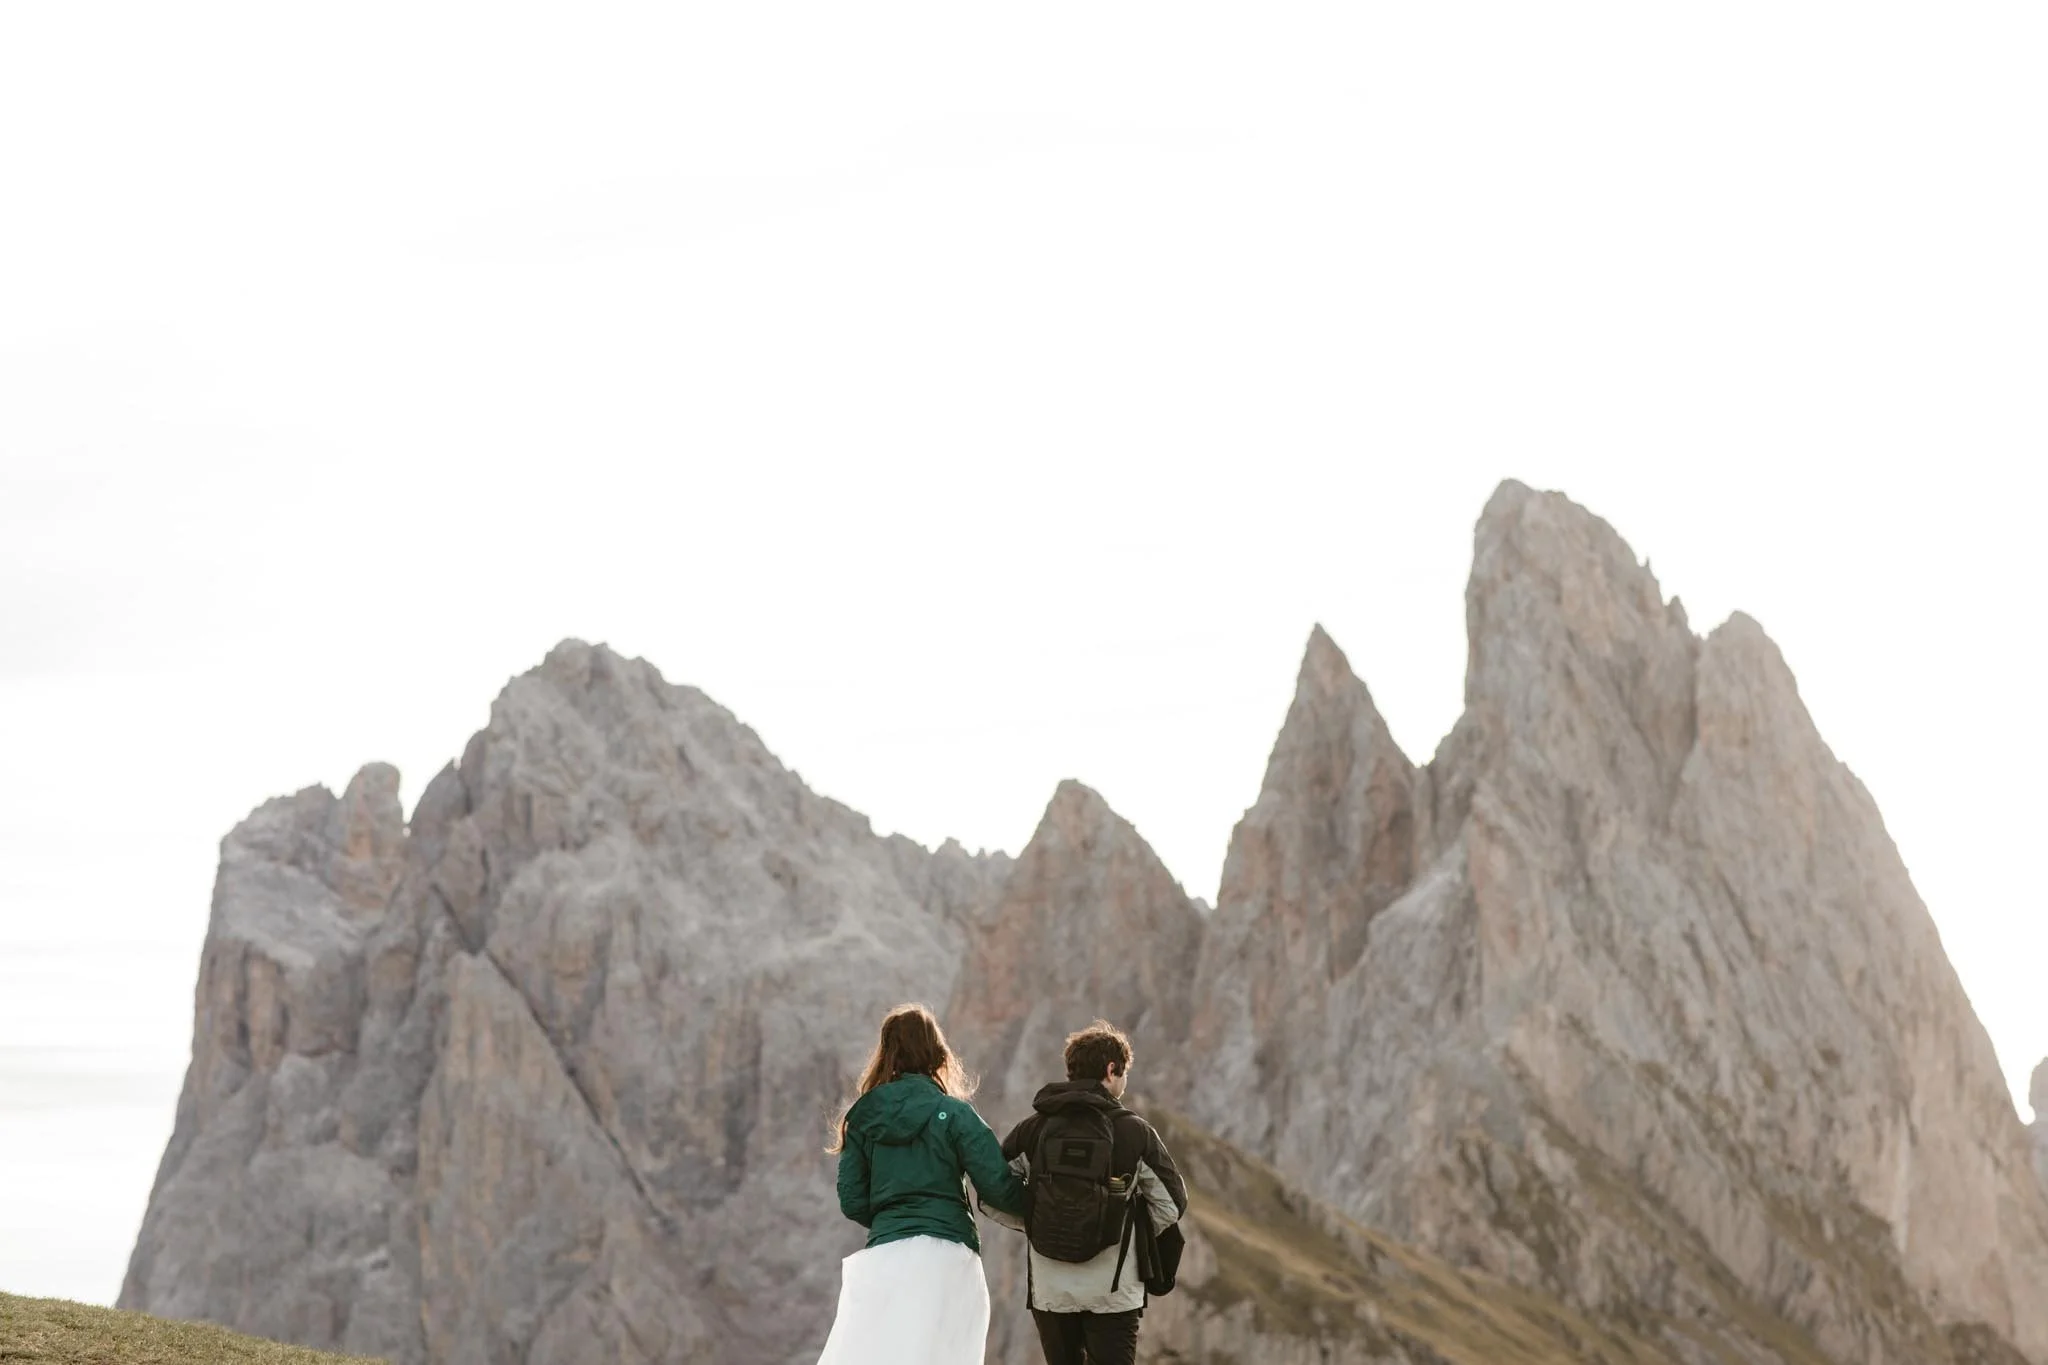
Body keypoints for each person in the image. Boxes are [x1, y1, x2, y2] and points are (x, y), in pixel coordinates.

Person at [816, 1002, 1027, 1365]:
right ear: (937, 1052)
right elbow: (997, 1187)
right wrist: (1050, 1204)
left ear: (887, 1053)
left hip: (884, 1258)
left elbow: (852, 1201)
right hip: (948, 1258)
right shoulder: (957, 1115)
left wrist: (892, 1218)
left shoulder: (863, 1118)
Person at [996, 1020, 1188, 1365]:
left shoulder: (1034, 1128)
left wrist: (1039, 1220)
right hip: (1112, 1292)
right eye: (1124, 1072)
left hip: (1051, 1288)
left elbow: (991, 1192)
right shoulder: (1134, 1132)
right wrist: (1122, 1226)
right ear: (1112, 1070)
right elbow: (1171, 1204)